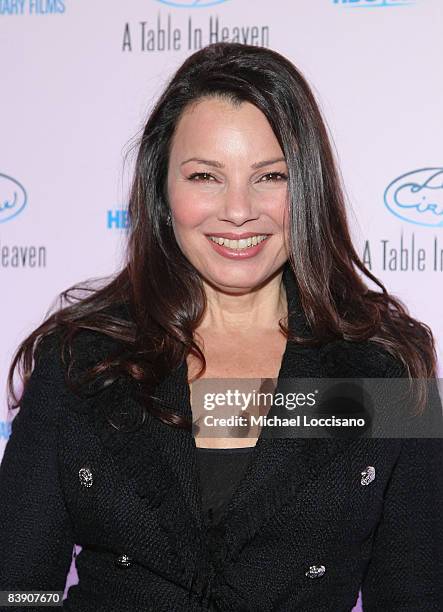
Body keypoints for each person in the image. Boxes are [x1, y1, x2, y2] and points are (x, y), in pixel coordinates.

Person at [0, 41, 441, 612]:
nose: (238, 209)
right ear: (162, 188)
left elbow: (416, 594)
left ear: (307, 187)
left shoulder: (384, 369)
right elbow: (18, 587)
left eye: (270, 176)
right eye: (206, 175)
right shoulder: (85, 359)